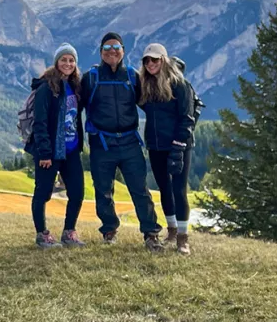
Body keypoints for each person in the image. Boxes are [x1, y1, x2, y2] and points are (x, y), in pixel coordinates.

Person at [79, 32, 163, 251]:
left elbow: (151, 104)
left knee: (140, 189)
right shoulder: (91, 78)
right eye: (107, 48)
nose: (112, 51)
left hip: (129, 143)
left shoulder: (133, 77)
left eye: (116, 46)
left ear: (123, 50)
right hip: (102, 143)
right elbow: (73, 105)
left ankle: (150, 233)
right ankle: (109, 230)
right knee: (103, 190)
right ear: (100, 53)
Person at [26, 42, 87, 248]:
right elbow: (40, 123)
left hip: (70, 150)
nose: (68, 63)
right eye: (64, 59)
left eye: (71, 60)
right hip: (49, 151)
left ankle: (69, 232)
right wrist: (44, 153)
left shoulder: (75, 86)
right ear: (56, 62)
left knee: (77, 192)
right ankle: (42, 234)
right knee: (42, 193)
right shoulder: (46, 87)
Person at [138, 43, 196, 255]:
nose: (151, 63)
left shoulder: (180, 85)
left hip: (179, 145)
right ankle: (171, 231)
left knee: (179, 190)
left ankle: (183, 238)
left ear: (164, 60)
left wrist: (178, 147)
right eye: (147, 60)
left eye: (155, 59)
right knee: (164, 188)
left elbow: (187, 119)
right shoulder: (147, 86)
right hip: (156, 145)